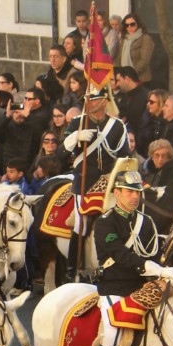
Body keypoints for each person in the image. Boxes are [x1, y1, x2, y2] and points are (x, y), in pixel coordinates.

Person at [93, 161, 173, 346]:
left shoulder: (145, 222)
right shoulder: (105, 223)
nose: (135, 197)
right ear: (117, 193)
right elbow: (120, 255)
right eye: (129, 192)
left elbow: (155, 253)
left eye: (138, 192)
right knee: (112, 332)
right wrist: (155, 269)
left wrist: (165, 269)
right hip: (114, 286)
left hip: (142, 285)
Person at [62, 85, 129, 281]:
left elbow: (124, 155)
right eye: (87, 99)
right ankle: (72, 267)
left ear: (104, 101)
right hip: (85, 180)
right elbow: (61, 152)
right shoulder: (77, 123)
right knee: (80, 224)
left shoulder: (117, 126)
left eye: (93, 99)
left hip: (109, 182)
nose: (88, 102)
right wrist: (76, 137)